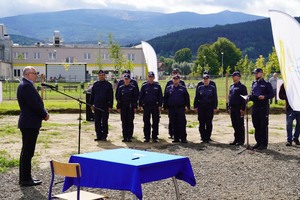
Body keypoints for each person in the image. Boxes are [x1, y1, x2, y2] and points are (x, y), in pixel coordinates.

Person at [17, 66, 50, 187]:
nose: (36, 75)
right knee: (27, 152)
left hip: (29, 123)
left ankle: (26, 177)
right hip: (29, 123)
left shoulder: (26, 85)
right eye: (34, 73)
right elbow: (34, 105)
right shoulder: (26, 86)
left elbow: (36, 103)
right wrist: (44, 114)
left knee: (28, 151)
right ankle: (25, 179)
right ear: (28, 74)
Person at [249, 68, 274, 150]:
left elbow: (271, 94)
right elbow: (252, 94)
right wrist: (248, 97)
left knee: (263, 125)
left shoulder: (267, 84)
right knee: (256, 124)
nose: (255, 75)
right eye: (254, 73)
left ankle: (264, 144)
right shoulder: (254, 83)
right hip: (255, 106)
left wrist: (264, 97)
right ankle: (258, 142)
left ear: (261, 73)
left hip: (263, 107)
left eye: (257, 73)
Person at [164, 74, 190, 143]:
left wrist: (188, 106)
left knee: (181, 123)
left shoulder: (183, 88)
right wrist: (165, 107)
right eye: (174, 79)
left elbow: (187, 98)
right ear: (173, 80)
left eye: (177, 79)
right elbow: (166, 98)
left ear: (179, 80)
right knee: (174, 123)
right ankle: (176, 138)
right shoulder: (169, 88)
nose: (175, 80)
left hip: (180, 108)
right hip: (172, 109)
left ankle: (183, 138)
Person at [139, 71, 163, 142]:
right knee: (146, 122)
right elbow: (141, 96)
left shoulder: (157, 86)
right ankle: (146, 137)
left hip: (155, 106)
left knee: (155, 122)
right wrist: (140, 105)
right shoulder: (144, 86)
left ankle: (155, 137)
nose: (150, 78)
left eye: (152, 77)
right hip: (146, 106)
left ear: (154, 77)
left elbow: (160, 97)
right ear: (147, 77)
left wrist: (160, 105)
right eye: (149, 77)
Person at [90, 70, 113, 141]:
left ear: (104, 76)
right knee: (97, 121)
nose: (101, 76)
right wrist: (91, 104)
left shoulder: (108, 85)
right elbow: (92, 95)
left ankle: (104, 135)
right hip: (97, 106)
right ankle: (98, 135)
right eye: (100, 75)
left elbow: (111, 96)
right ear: (98, 76)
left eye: (102, 75)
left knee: (104, 121)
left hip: (105, 106)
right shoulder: (95, 84)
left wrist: (110, 106)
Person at [194, 73, 218, 143]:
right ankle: (203, 137)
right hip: (201, 107)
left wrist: (215, 107)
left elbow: (215, 98)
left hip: (209, 108)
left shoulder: (212, 88)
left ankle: (208, 137)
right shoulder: (200, 88)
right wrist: (195, 106)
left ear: (209, 80)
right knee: (201, 122)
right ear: (203, 80)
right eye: (204, 79)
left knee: (208, 122)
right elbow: (196, 98)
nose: (205, 81)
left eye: (207, 79)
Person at [116, 73, 138, 142]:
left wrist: (135, 107)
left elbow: (135, 98)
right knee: (124, 121)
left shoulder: (133, 87)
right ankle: (125, 136)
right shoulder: (121, 88)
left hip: (130, 106)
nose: (126, 80)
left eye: (127, 79)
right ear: (123, 80)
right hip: (123, 106)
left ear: (129, 80)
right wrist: (118, 107)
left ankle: (129, 136)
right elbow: (118, 98)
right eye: (125, 79)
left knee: (130, 121)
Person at [228, 71, 248, 145]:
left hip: (239, 108)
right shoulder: (231, 86)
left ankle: (241, 140)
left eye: (234, 76)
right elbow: (229, 97)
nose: (233, 77)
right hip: (232, 108)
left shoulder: (242, 87)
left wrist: (243, 109)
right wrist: (229, 107)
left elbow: (245, 99)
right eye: (232, 76)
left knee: (240, 124)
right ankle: (236, 139)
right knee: (234, 124)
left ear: (239, 77)